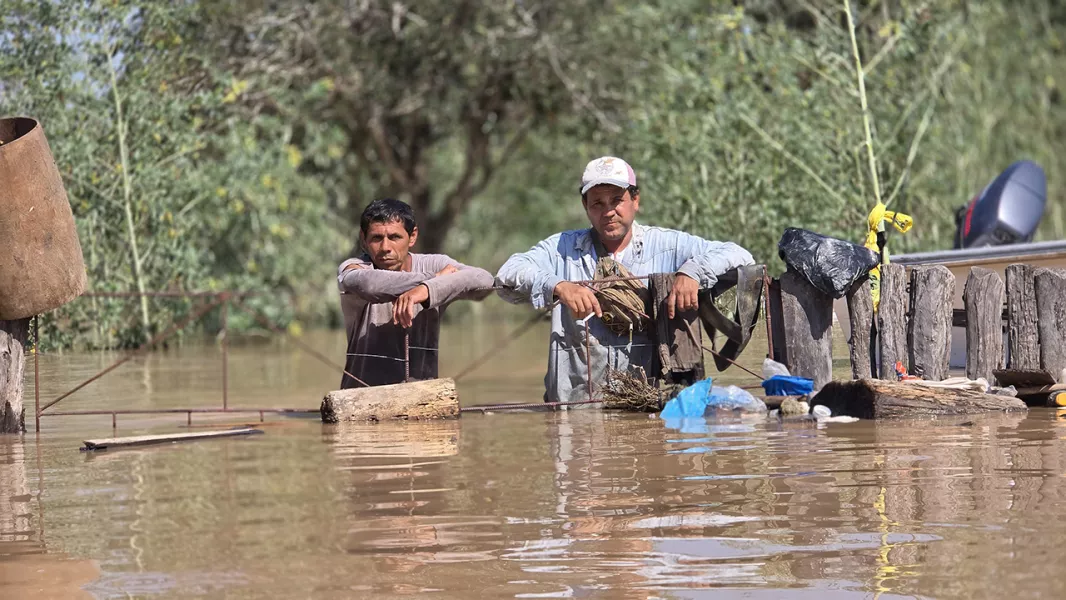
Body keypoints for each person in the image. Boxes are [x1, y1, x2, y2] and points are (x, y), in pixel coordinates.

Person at [495, 156, 755, 404]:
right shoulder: (562, 248)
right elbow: (508, 273)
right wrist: (558, 286)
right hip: (574, 410)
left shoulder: (667, 244)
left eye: (617, 200)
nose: (608, 211)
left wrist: (693, 272)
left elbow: (740, 255)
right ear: (585, 206)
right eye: (597, 203)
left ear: (635, 200)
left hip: (648, 404)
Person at [338, 198, 494, 388]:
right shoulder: (354, 268)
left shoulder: (435, 262)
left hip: (423, 398)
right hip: (360, 399)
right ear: (363, 239)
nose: (385, 247)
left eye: (395, 237)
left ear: (412, 237)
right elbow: (370, 285)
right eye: (376, 238)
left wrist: (428, 290)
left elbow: (485, 281)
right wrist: (433, 278)